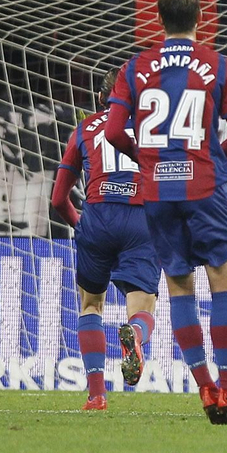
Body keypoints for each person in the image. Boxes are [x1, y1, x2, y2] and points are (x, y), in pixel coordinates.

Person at [103, 0, 227, 425]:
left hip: (157, 193)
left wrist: (148, 161)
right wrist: (207, 159)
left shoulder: (134, 68)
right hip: (205, 188)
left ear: (159, 18)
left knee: (179, 288)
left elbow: (113, 132)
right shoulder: (218, 66)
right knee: (223, 282)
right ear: (200, 16)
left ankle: (206, 389)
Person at [49, 69, 161, 412]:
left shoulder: (84, 129)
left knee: (90, 305)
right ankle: (135, 338)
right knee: (142, 308)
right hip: (141, 219)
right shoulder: (154, 129)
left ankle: (96, 395)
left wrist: (81, 226)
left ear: (101, 99)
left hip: (96, 217)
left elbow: (57, 200)